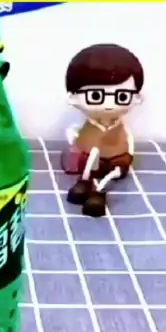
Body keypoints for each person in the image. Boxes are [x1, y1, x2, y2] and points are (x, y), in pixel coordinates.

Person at [61, 43, 144, 217]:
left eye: (121, 96)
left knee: (114, 171)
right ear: (72, 97)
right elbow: (74, 138)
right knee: (89, 162)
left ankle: (99, 192)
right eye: (96, 96)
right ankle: (84, 182)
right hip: (87, 160)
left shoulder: (121, 129)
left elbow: (129, 141)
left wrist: (128, 154)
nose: (108, 105)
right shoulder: (85, 128)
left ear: (137, 98)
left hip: (116, 161)